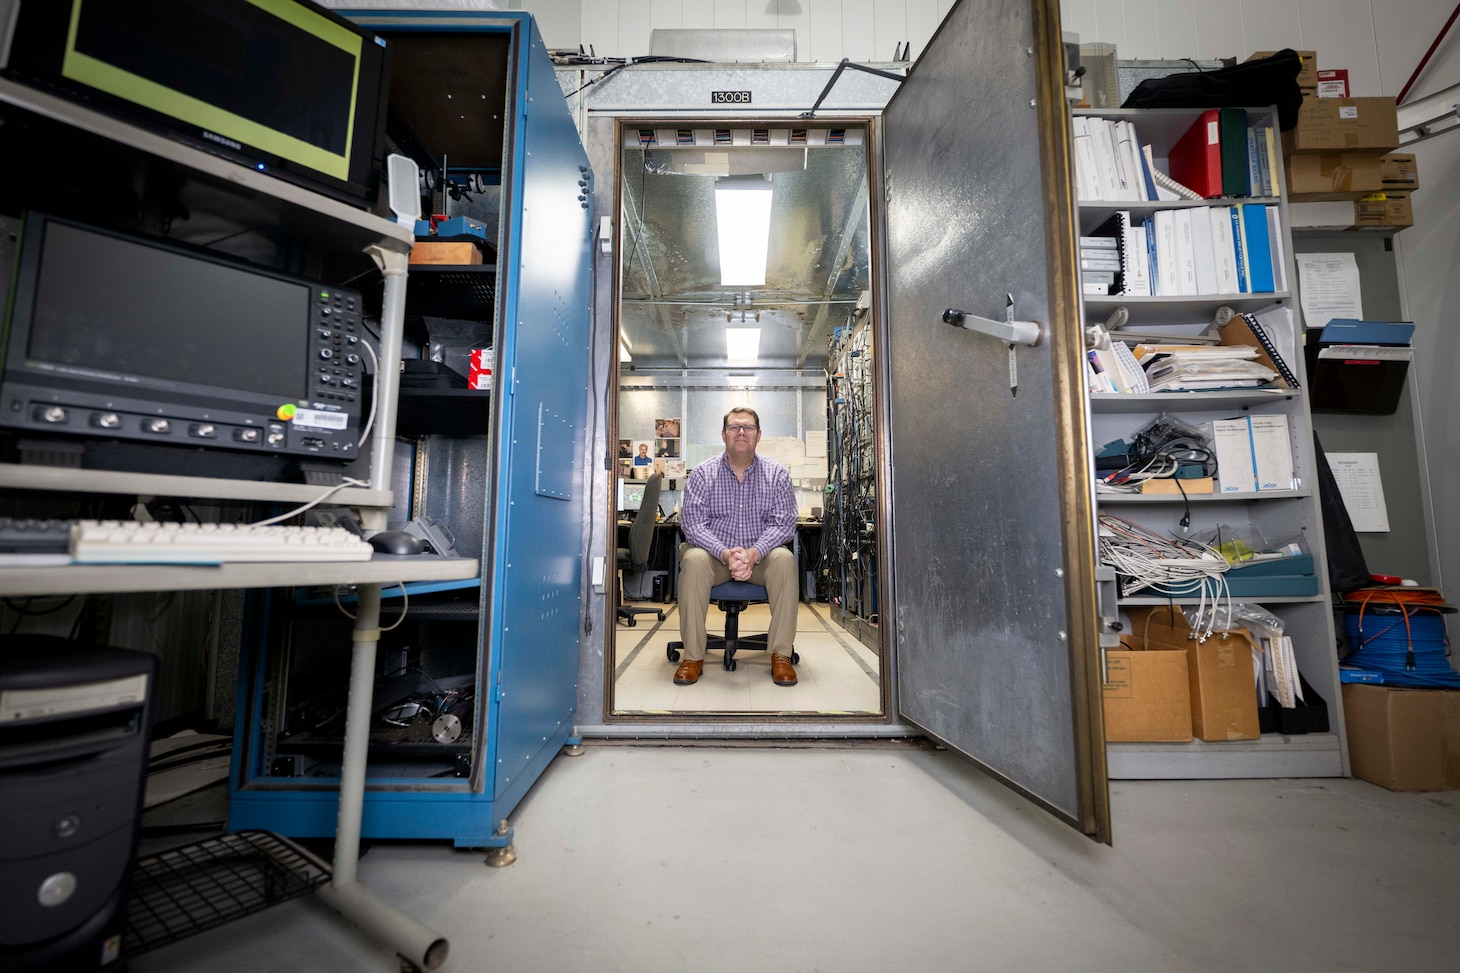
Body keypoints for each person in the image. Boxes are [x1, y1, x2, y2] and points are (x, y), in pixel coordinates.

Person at [675, 407, 799, 686]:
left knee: (784, 559)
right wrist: (725, 553)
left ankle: (781, 655)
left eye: (748, 427)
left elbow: (784, 525)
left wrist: (753, 553)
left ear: (758, 435)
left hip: (760, 559)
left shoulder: (777, 475)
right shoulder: (703, 474)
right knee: (693, 560)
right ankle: (693, 656)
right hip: (714, 558)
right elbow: (693, 525)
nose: (741, 432)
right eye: (734, 427)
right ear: (723, 434)